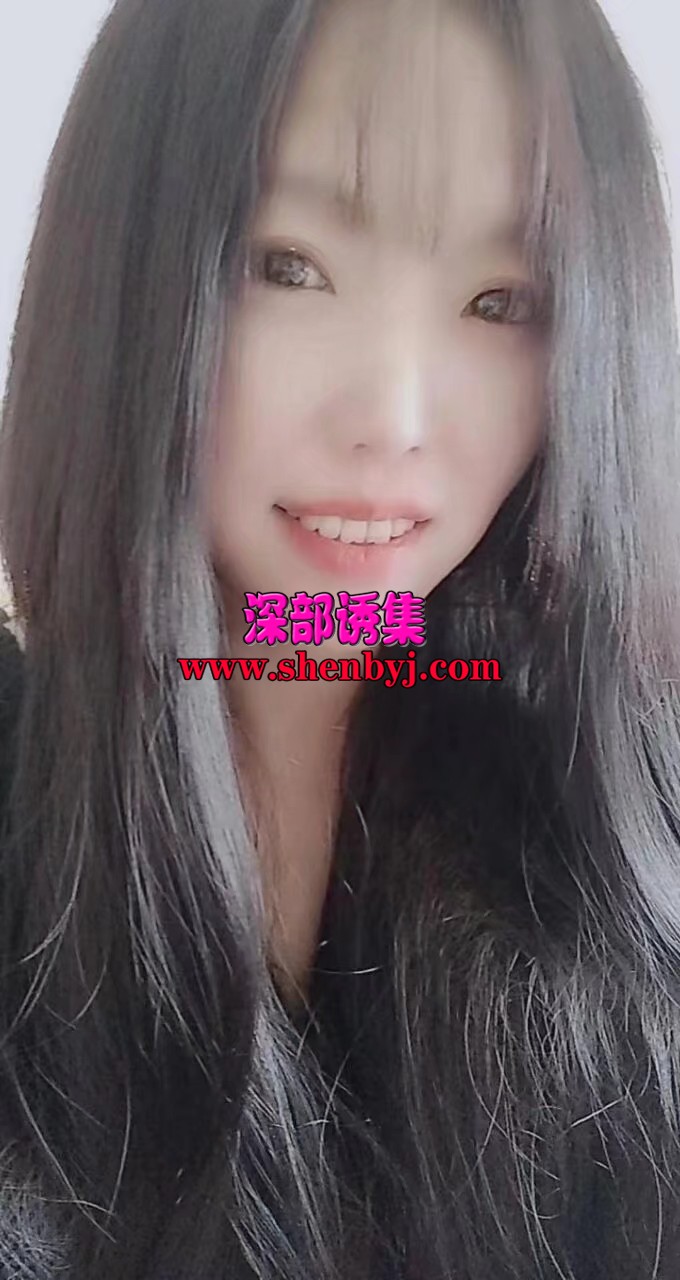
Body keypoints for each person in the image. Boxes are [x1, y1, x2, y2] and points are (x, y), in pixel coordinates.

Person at [0, 0, 679, 1275]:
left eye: (499, 299)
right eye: (290, 265)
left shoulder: (626, 818)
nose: (394, 418)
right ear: (126, 263)